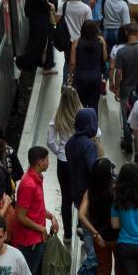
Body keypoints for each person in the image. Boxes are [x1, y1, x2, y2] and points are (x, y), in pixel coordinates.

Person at [13, 146, 65, 275]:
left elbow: (35, 209)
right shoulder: (28, 184)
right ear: (40, 161)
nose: (49, 162)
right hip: (30, 243)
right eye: (47, 159)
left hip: (36, 241)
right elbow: (20, 215)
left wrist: (49, 215)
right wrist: (41, 228)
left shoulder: (36, 179)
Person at [78, 157, 127, 275]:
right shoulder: (115, 191)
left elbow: (81, 215)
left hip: (100, 239)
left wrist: (95, 233)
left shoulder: (90, 191)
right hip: (118, 238)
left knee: (103, 271)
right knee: (120, 274)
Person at [47, 87, 83, 243]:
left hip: (64, 163)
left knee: (66, 198)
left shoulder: (57, 116)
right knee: (82, 196)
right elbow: (98, 133)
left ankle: (67, 234)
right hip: (80, 161)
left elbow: (50, 141)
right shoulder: (83, 115)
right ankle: (82, 227)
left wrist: (59, 152)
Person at [111, 23, 138, 153]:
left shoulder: (121, 52)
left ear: (127, 33)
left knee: (126, 117)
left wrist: (117, 88)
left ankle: (127, 143)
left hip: (126, 90)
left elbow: (118, 73)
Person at [18, 0, 55, 73]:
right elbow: (44, 5)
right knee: (39, 44)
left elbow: (30, 6)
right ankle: (23, 62)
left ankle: (46, 65)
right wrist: (50, 6)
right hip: (41, 22)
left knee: (37, 43)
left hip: (35, 21)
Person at [70, 20, 107, 113]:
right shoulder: (100, 41)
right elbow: (105, 58)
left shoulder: (76, 42)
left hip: (81, 75)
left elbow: (72, 63)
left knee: (80, 103)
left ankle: (81, 123)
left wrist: (70, 76)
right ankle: (93, 123)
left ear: (82, 30)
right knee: (94, 104)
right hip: (96, 75)